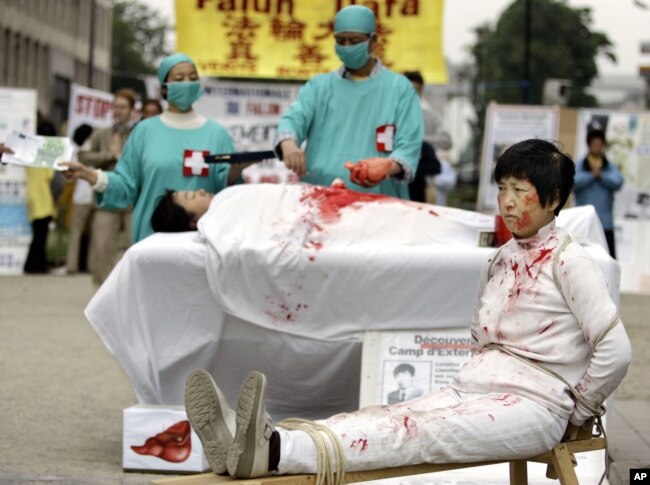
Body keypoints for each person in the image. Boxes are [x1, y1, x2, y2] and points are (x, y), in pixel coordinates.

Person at [183, 138, 631, 479]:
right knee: (387, 416)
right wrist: (478, 380)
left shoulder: (569, 262)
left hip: (536, 403)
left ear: (553, 200)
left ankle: (273, 454)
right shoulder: (501, 258)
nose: (508, 201)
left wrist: (578, 409)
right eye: (502, 189)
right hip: (473, 387)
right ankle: (264, 441)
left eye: (521, 190)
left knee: (417, 435)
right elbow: (480, 336)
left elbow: (616, 351)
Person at [62, 53, 249, 244]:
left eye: (193, 78)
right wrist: (88, 174)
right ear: (164, 88)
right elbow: (126, 184)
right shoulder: (145, 131)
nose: (187, 83)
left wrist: (236, 170)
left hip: (202, 240)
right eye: (179, 79)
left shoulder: (216, 134)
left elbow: (227, 193)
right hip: (151, 238)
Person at [275, 5, 423, 198]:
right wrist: (288, 143)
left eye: (354, 41)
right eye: (340, 40)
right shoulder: (319, 86)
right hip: (321, 198)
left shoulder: (399, 88)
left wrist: (388, 166)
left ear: (373, 41)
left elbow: (409, 146)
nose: (346, 47)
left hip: (380, 203)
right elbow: (293, 119)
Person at [75, 88, 136, 285]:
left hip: (132, 199)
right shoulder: (100, 134)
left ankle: (134, 288)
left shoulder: (139, 134)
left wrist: (124, 158)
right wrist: (108, 156)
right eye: (115, 107)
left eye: (123, 107)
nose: (118, 111)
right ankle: (103, 290)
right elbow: (83, 156)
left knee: (137, 245)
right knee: (102, 247)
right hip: (105, 198)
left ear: (131, 110)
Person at [573, 129, 624, 259]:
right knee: (581, 259)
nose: (597, 147)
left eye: (599, 144)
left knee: (608, 260)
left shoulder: (609, 167)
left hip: (605, 223)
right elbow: (573, 183)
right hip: (584, 225)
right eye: (594, 144)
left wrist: (601, 176)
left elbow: (618, 182)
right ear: (589, 145)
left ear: (603, 146)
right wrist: (591, 176)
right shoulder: (579, 166)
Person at [23, 114, 57, 274]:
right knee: (40, 236)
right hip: (43, 198)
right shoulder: (47, 156)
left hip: (31, 195)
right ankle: (33, 265)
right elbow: (50, 176)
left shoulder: (29, 153)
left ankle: (37, 264)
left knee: (37, 234)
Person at [64, 123, 94, 274]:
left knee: (75, 233)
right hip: (95, 195)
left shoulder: (75, 152)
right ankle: (90, 265)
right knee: (94, 234)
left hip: (80, 197)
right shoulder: (95, 149)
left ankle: (72, 265)